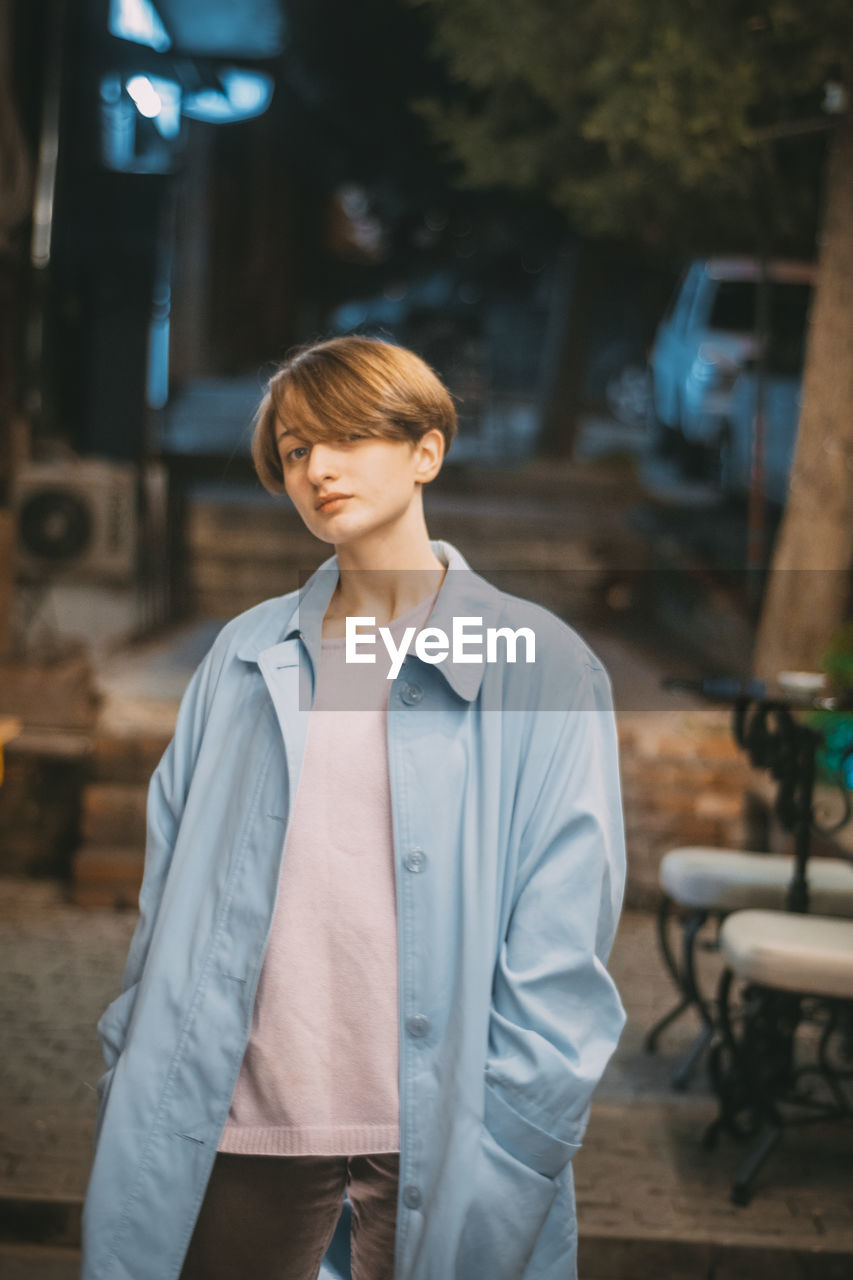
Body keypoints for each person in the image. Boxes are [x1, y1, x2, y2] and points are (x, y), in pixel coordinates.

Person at [80, 335, 626, 1280]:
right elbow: (170, 890)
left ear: (426, 451)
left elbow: (562, 932)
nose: (317, 468)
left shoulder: (542, 664)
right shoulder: (244, 657)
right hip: (246, 1124)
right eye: (294, 450)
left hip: (451, 1136)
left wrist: (522, 1121)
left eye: (346, 438)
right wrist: (136, 1050)